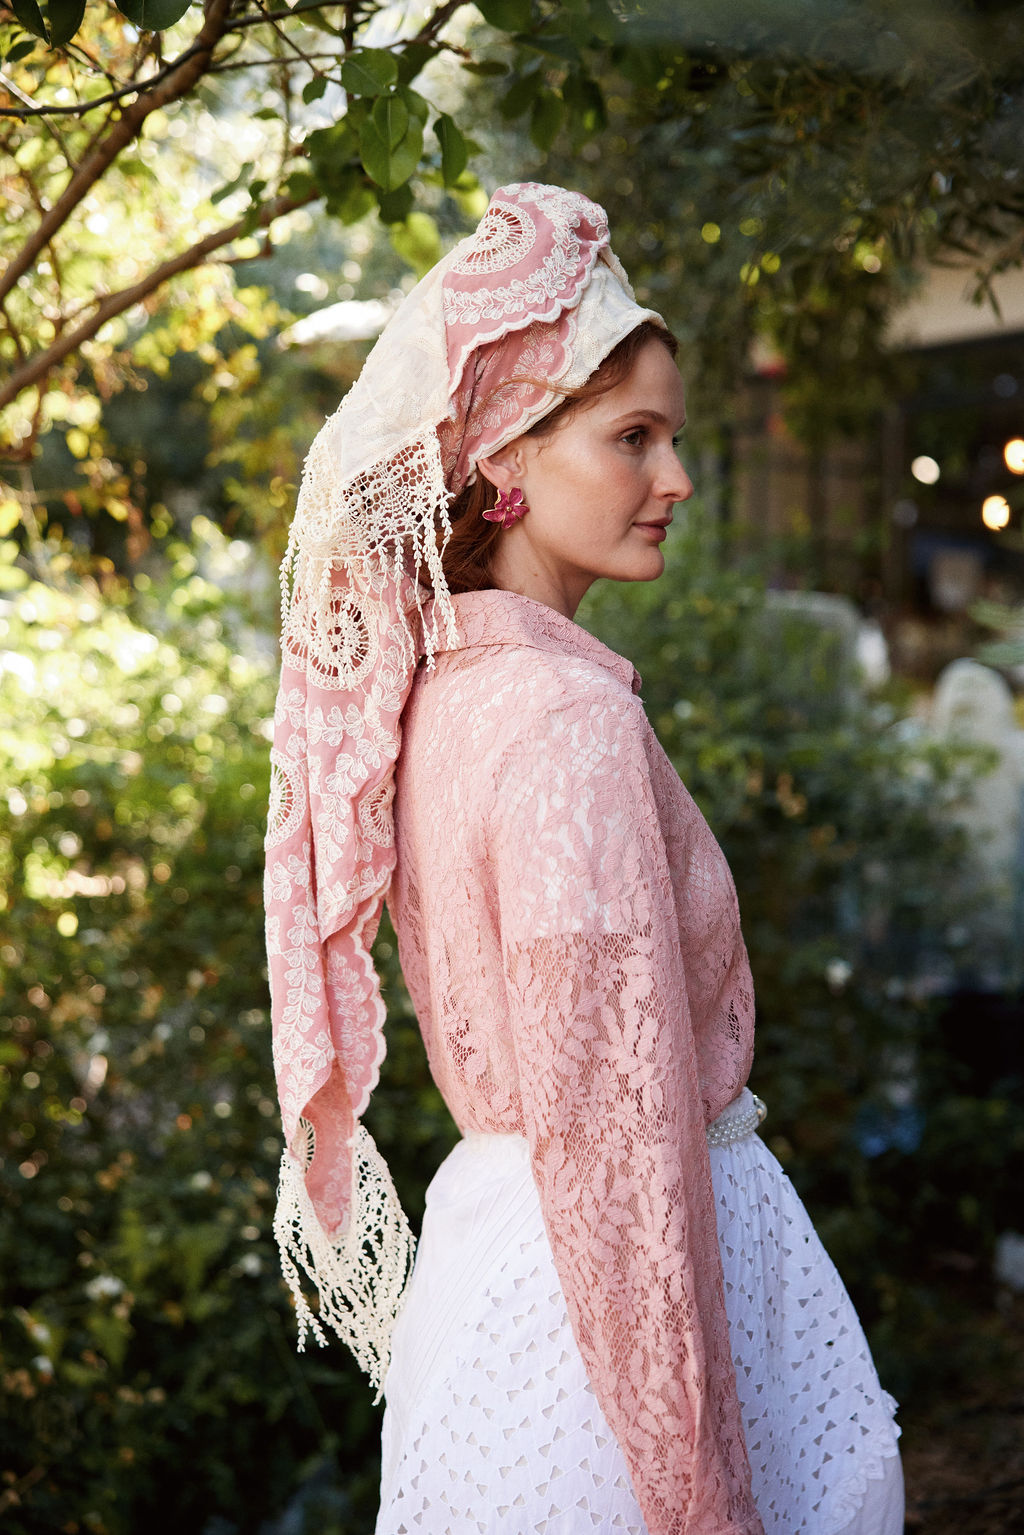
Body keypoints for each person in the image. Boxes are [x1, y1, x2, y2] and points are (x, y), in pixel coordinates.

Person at [264, 182, 903, 1535]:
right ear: (508, 459)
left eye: (673, 438)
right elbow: (616, 1132)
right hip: (608, 1313)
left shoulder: (443, 695)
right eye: (632, 439)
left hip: (504, 1271)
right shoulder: (566, 722)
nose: (677, 480)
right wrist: (701, 1495)